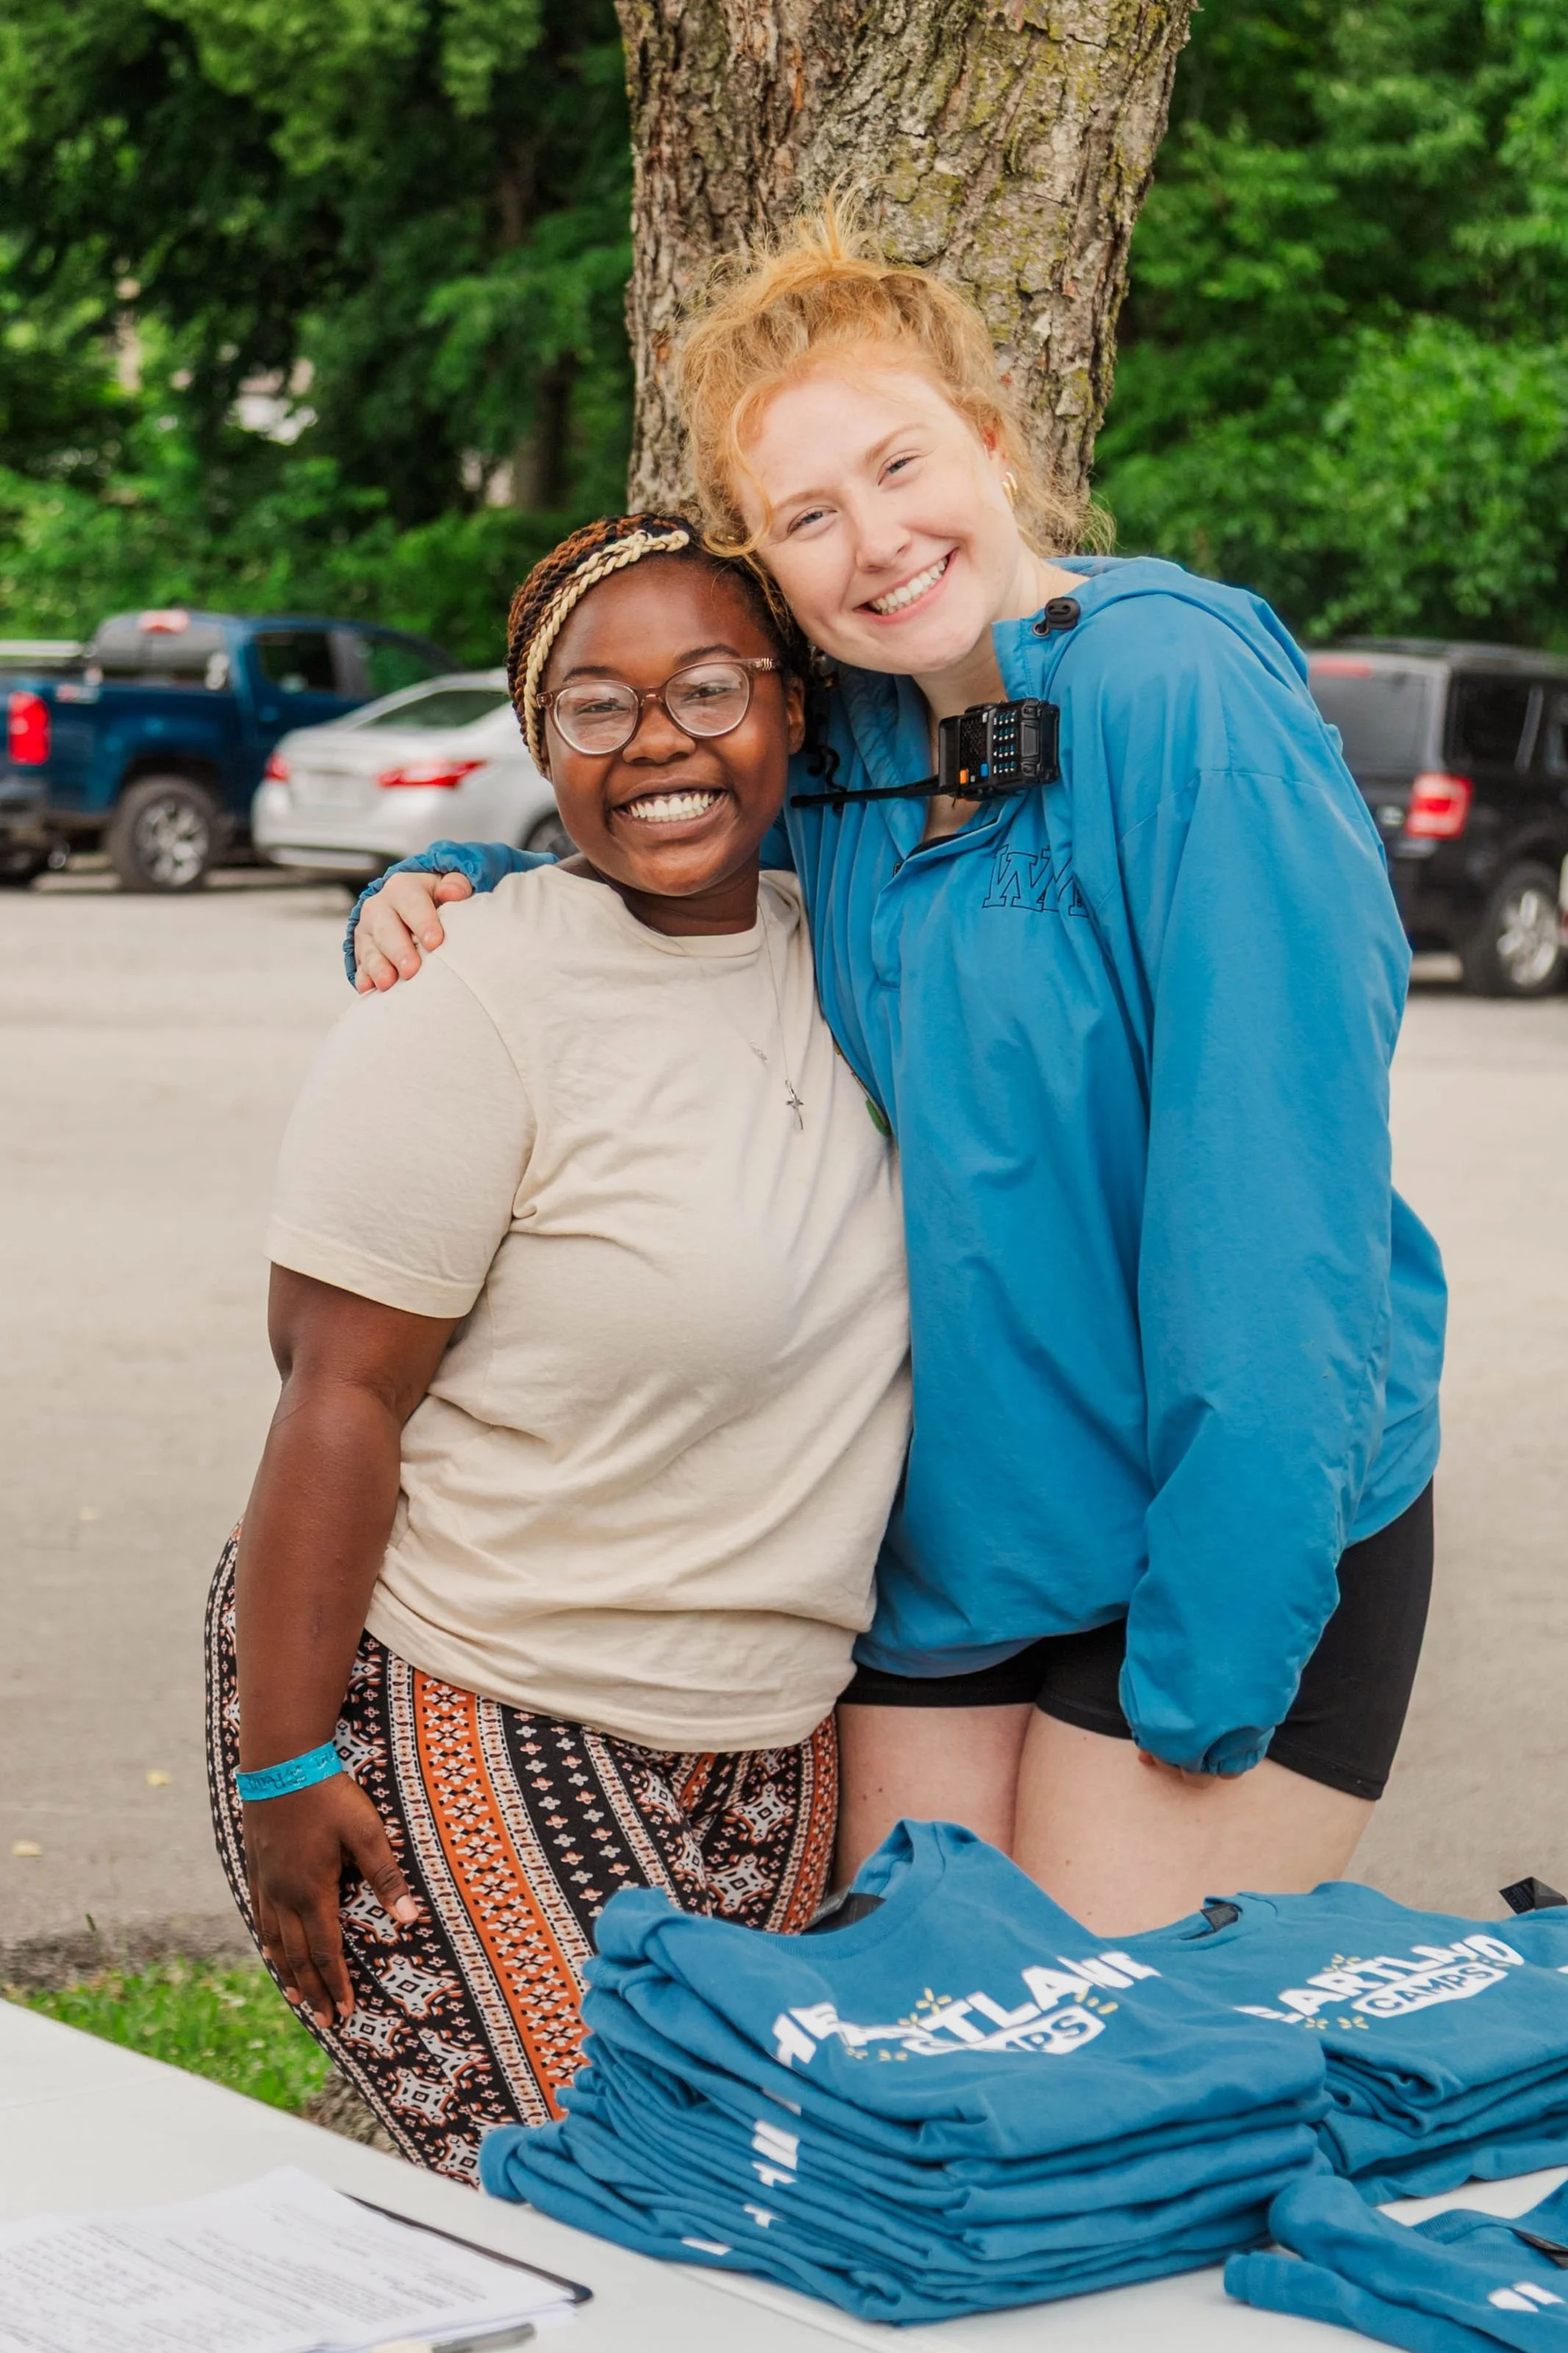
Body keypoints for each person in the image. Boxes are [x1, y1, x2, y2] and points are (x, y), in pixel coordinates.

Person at [350, 211, 1447, 1938]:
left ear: (995, 449)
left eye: (899, 464)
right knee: (899, 2073)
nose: (875, 540)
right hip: (968, 1553)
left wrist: (1217, 1639)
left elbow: (1277, 1194)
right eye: (808, 516)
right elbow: (665, 844)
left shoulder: (1176, 698)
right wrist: (454, 897)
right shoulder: (854, 744)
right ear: (776, 574)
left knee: (1078, 2096)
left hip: (1223, 1524)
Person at [206, 513, 911, 2182]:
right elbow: (338, 1388)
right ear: (540, 747)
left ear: (792, 712)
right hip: (471, 1697)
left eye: (709, 689)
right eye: (597, 707)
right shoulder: (473, 989)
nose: (659, 740)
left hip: (774, 1741)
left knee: (759, 2218)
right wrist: (282, 1760)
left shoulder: (868, 965)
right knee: (614, 2202)